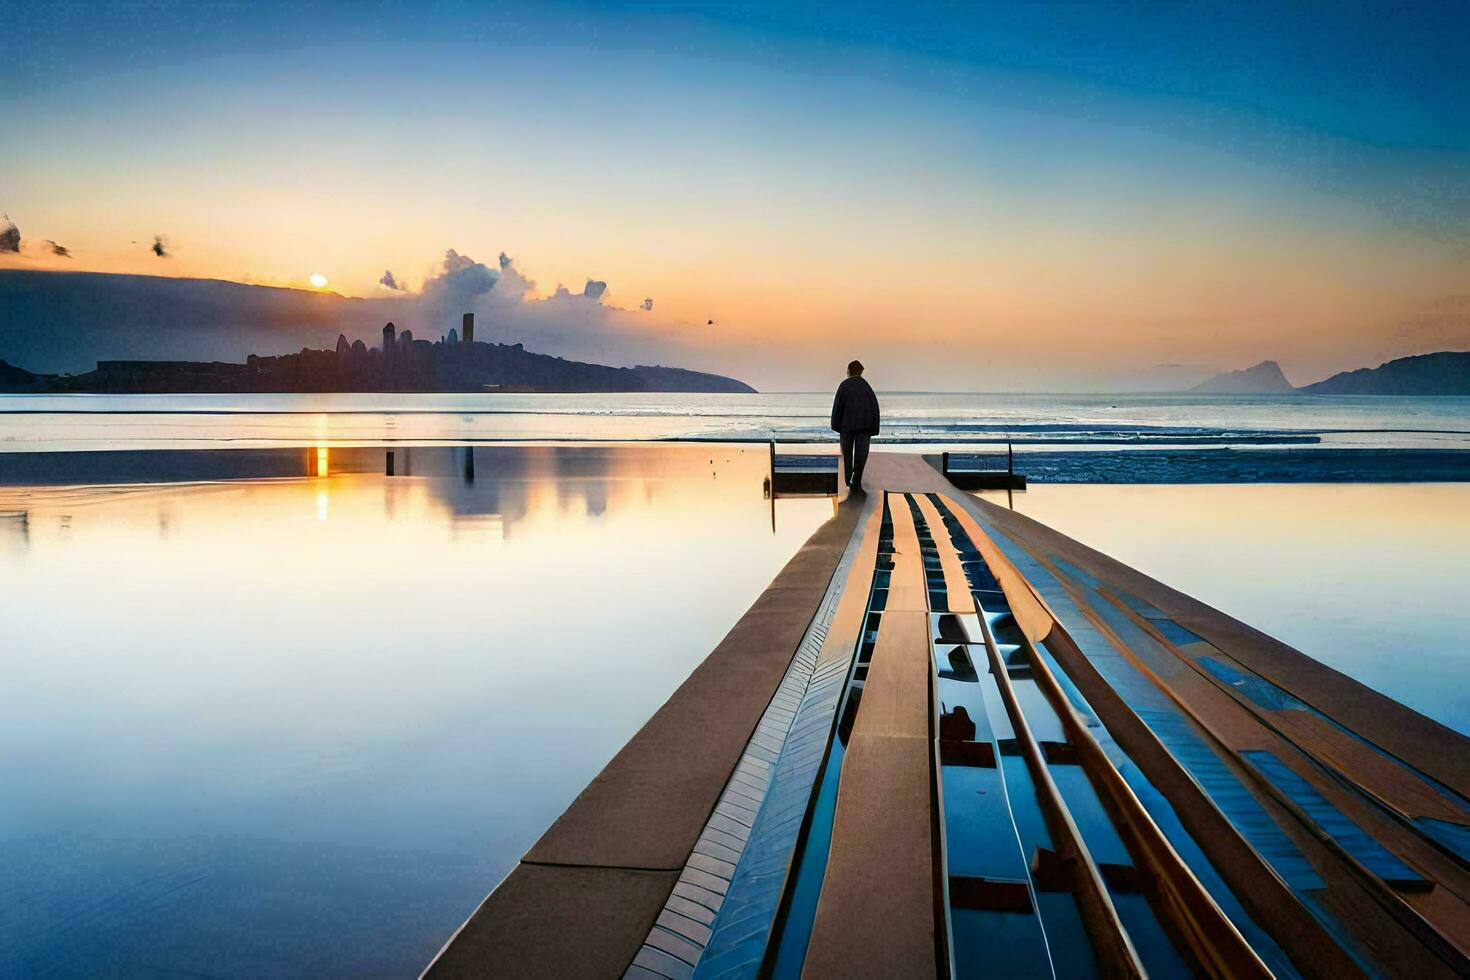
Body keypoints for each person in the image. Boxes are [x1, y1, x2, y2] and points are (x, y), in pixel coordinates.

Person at [830, 359, 880, 492]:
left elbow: (837, 407)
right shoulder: (866, 387)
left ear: (849, 371)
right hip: (864, 427)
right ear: (861, 371)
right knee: (861, 455)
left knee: (847, 454)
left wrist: (836, 425)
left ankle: (848, 480)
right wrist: (874, 428)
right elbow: (874, 408)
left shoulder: (844, 385)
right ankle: (856, 480)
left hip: (846, 426)